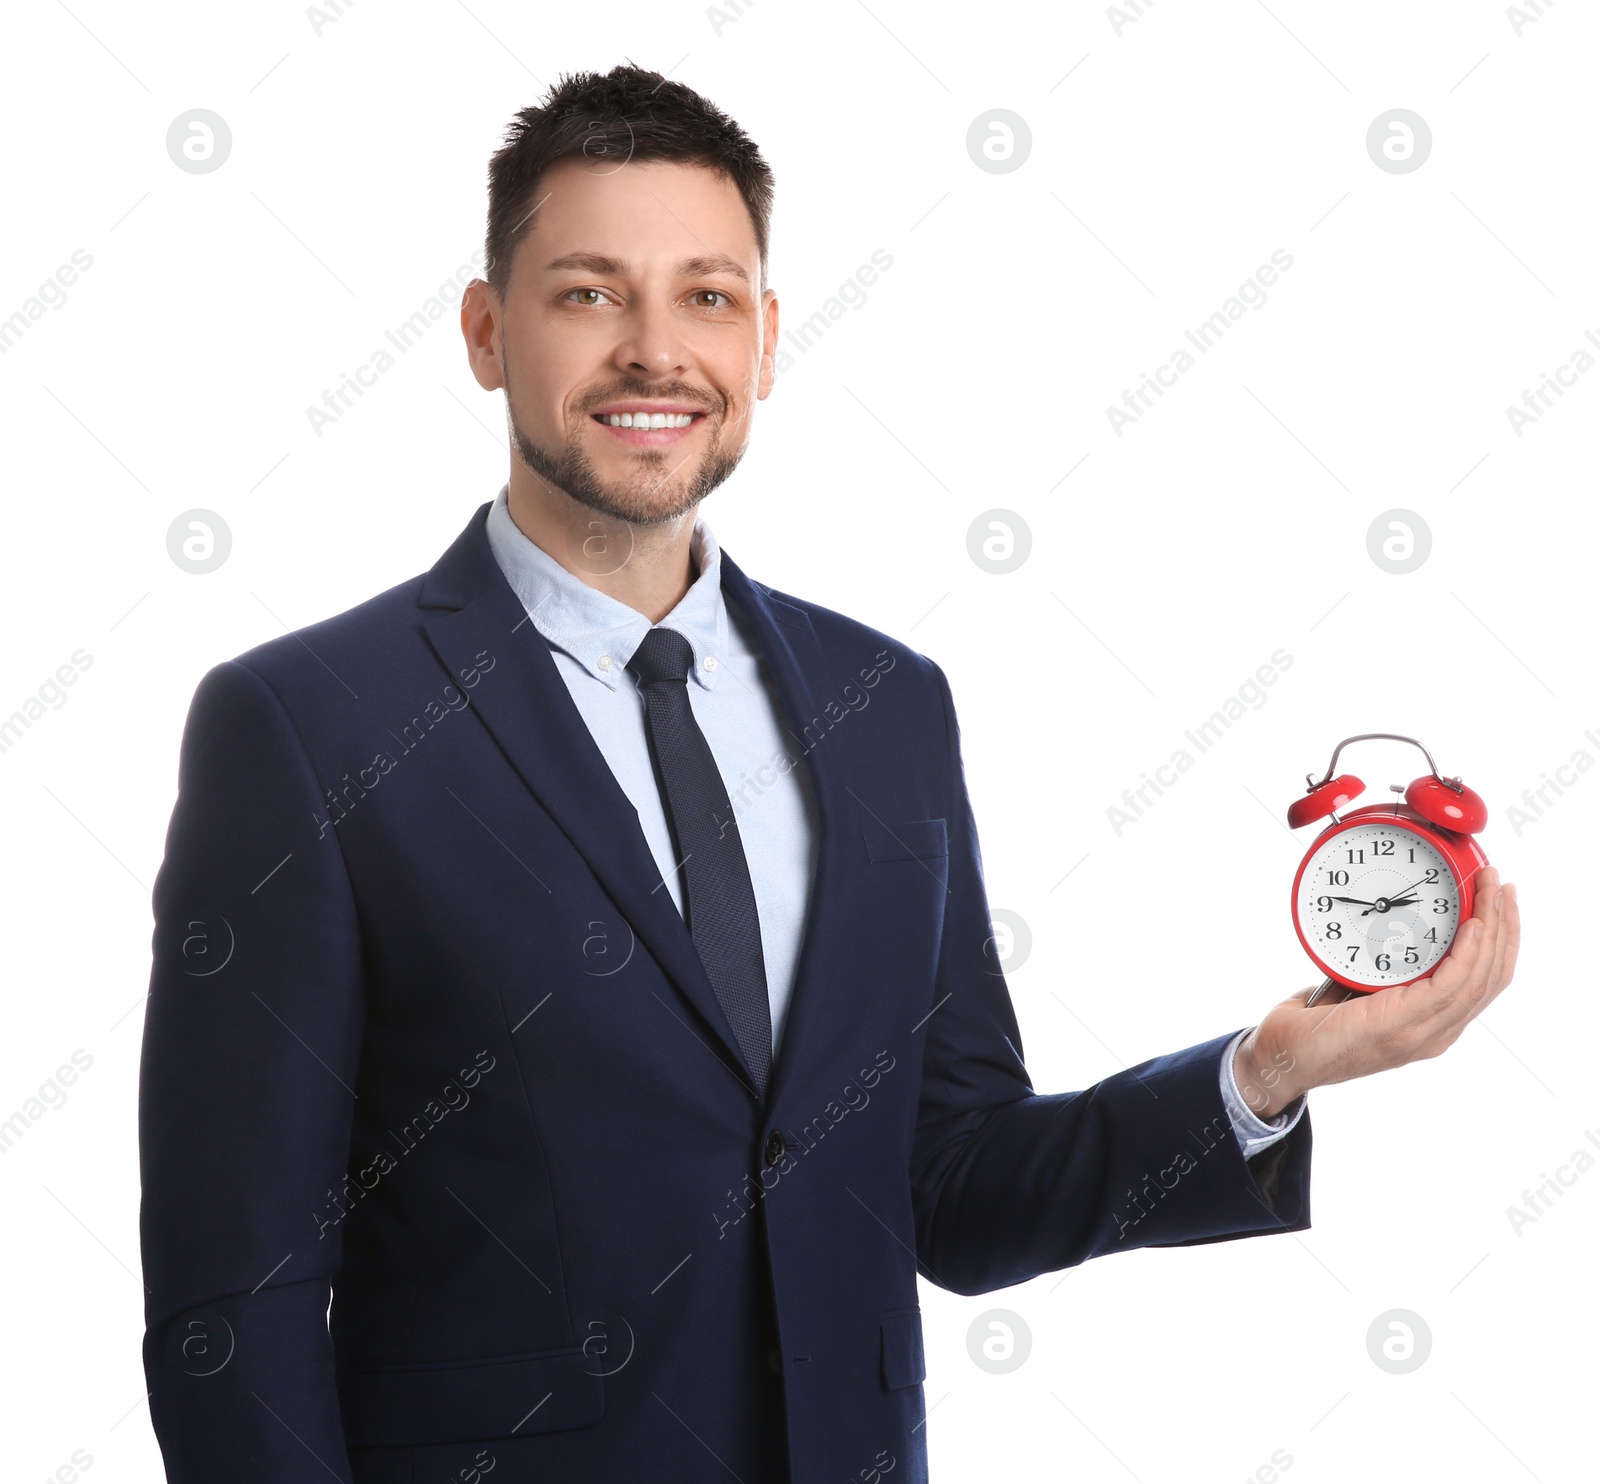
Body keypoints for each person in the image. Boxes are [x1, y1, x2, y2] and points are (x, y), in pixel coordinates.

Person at [137, 64, 1521, 1484]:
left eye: (709, 296)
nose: (655, 352)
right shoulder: (308, 723)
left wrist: (1263, 1074)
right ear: (489, 333)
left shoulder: (886, 708)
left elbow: (953, 1186)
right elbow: (228, 1313)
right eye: (590, 293)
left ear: (769, 340)